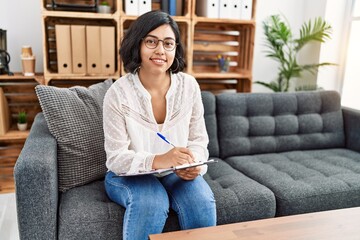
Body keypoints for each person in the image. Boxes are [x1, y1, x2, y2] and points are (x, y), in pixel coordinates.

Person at [103, 10, 216, 240]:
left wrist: (193, 164)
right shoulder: (118, 94)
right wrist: (160, 160)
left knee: (202, 202)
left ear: (176, 49)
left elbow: (198, 141)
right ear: (138, 45)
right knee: (151, 202)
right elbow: (116, 158)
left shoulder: (189, 87)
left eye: (168, 43)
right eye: (151, 42)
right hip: (128, 175)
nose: (160, 50)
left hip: (175, 173)